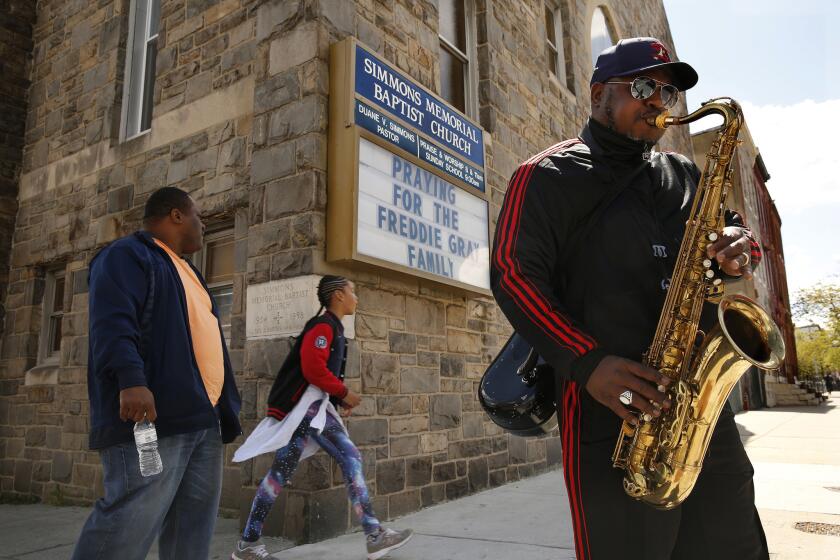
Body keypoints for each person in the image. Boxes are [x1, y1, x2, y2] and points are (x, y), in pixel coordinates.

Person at [491, 38, 768, 560]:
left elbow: (736, 235)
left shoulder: (683, 175)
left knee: (735, 547)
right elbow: (513, 275)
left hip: (702, 412)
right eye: (643, 87)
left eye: (667, 91)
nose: (658, 101)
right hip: (609, 415)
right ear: (599, 95)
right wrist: (588, 363)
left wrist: (741, 249)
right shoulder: (546, 176)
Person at [73, 187, 242, 559]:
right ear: (176, 215)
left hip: (202, 419)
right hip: (151, 420)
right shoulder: (127, 255)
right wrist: (131, 379)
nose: (202, 226)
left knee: (192, 530)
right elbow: (113, 323)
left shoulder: (189, 272)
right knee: (128, 521)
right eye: (198, 216)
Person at [231, 275, 413, 560]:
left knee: (278, 474)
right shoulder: (323, 326)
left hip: (310, 410)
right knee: (350, 457)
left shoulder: (332, 327)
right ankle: (375, 535)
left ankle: (247, 545)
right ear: (339, 295)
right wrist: (344, 392)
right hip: (308, 410)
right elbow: (313, 369)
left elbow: (318, 373)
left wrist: (338, 398)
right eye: (353, 291)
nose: (357, 297)